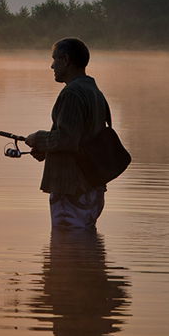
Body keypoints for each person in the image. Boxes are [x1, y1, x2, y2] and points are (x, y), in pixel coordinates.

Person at [24, 38, 110, 229]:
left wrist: (37, 139)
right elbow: (83, 138)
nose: (51, 65)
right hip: (92, 187)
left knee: (65, 252)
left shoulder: (72, 93)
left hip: (71, 189)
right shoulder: (94, 91)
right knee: (84, 252)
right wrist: (47, 151)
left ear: (66, 60)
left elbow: (67, 139)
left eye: (54, 59)